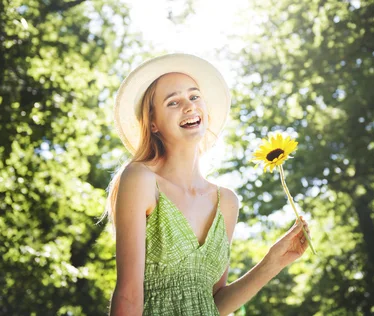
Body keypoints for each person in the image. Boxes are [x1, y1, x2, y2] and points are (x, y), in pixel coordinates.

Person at [101, 53, 311, 316]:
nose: (189, 106)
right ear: (153, 124)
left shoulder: (227, 202)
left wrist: (273, 262)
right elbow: (129, 295)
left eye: (194, 96)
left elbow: (214, 302)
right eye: (173, 102)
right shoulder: (141, 179)